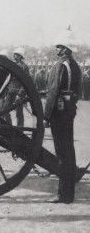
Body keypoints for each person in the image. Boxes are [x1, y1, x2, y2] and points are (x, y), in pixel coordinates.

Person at [44, 26, 81, 204]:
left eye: (59, 46)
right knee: (68, 151)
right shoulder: (75, 65)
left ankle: (64, 195)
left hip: (59, 113)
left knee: (62, 154)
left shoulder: (61, 65)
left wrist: (45, 115)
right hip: (68, 111)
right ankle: (68, 193)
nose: (56, 49)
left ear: (65, 49)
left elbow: (53, 91)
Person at [2, 47, 30, 126]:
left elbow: (25, 82)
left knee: (19, 113)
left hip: (18, 93)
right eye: (14, 55)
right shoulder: (13, 65)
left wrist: (20, 94)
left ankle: (20, 130)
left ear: (21, 56)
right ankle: (8, 127)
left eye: (17, 55)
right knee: (4, 111)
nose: (15, 56)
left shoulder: (24, 67)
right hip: (10, 92)